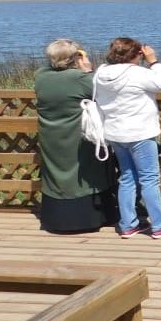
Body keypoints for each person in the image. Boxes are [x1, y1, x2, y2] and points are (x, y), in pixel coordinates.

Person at [94, 37, 161, 238]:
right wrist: (154, 61)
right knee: (149, 179)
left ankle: (128, 224)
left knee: (127, 178)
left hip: (115, 133)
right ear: (137, 55)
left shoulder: (100, 74)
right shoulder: (138, 73)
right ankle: (160, 225)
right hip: (140, 133)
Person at [34, 39, 116, 232]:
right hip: (77, 135)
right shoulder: (81, 79)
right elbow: (102, 92)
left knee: (56, 173)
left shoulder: (41, 76)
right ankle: (89, 218)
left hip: (50, 134)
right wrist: (87, 70)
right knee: (84, 171)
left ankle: (56, 219)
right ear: (74, 58)